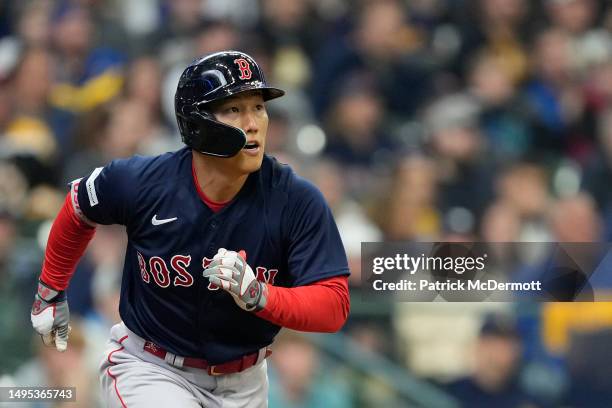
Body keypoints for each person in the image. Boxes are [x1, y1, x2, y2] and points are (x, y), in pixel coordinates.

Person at [30, 50, 351, 407]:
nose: (254, 122)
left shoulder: (295, 199)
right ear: (197, 123)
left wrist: (262, 295)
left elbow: (333, 305)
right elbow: (78, 208)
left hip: (246, 381)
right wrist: (50, 289)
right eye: (234, 109)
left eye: (258, 106)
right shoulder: (143, 182)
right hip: (151, 367)